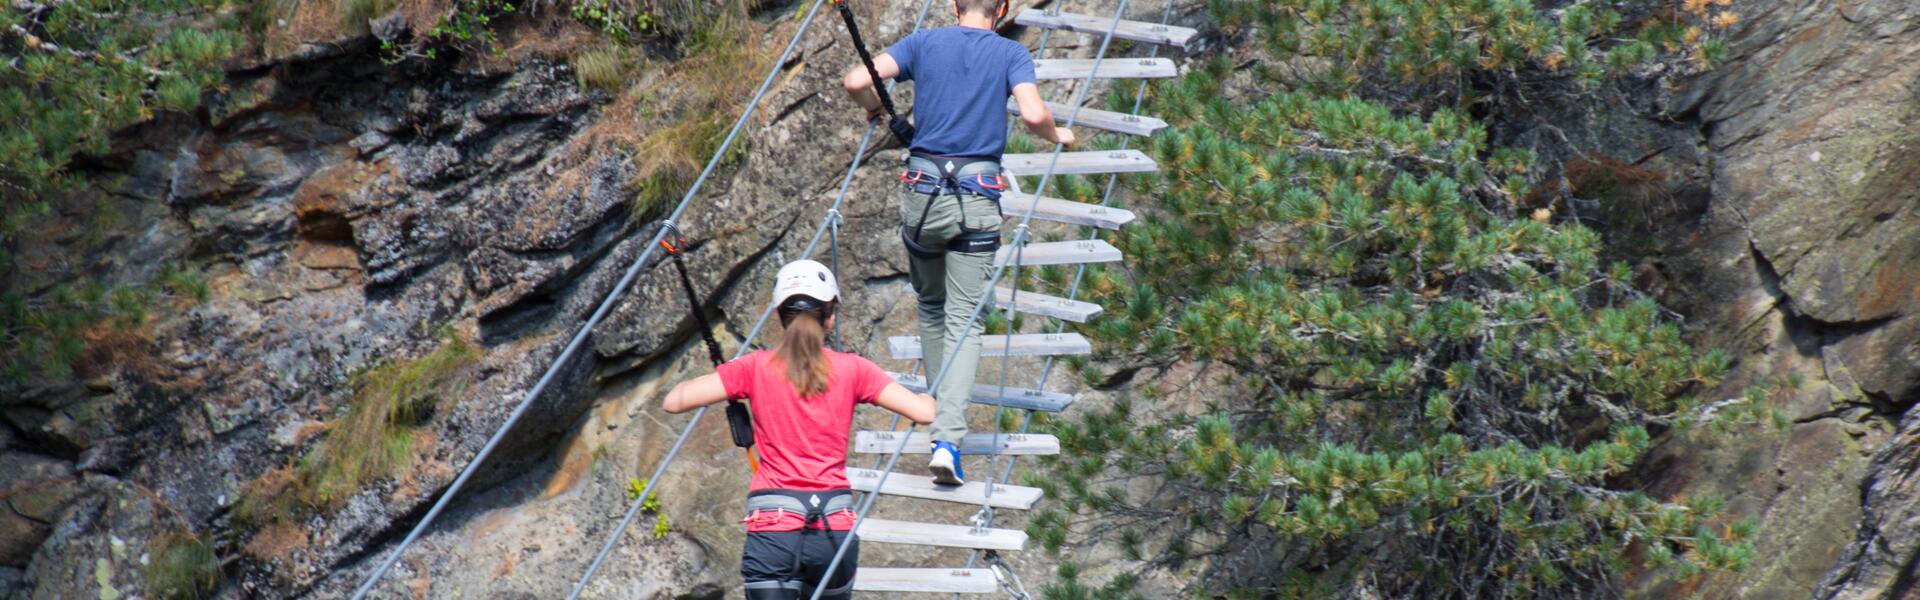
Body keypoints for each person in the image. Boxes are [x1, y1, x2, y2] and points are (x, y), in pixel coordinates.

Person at [840, 0, 1076, 486]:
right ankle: (947, 440)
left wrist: (876, 109)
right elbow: (1033, 113)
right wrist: (1060, 136)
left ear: (953, 5)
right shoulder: (1010, 54)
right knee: (965, 321)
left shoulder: (924, 42)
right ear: (1004, 8)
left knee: (931, 305)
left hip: (922, 194)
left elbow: (857, 80)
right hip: (977, 197)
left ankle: (935, 417)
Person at [663, 260, 935, 600]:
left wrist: (731, 377)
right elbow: (923, 412)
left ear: (780, 315)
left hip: (774, 531)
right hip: (833, 534)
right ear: (830, 316)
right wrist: (932, 395)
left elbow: (673, 402)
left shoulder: (754, 367)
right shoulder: (855, 370)